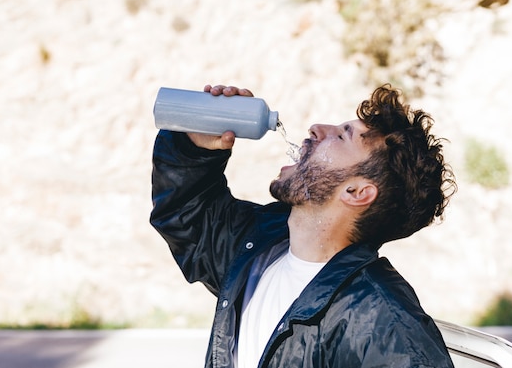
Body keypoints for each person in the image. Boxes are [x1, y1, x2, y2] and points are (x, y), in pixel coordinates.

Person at [150, 83, 457, 368]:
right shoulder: (259, 247)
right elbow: (188, 217)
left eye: (341, 136)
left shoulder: (383, 322)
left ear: (357, 192)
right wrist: (194, 148)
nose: (316, 128)